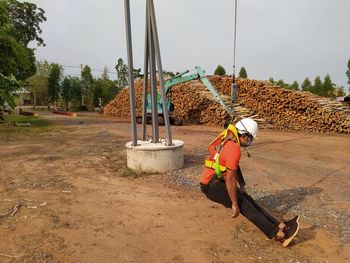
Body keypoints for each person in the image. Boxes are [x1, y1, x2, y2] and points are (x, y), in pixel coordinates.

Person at [200, 118, 299, 247]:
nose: (249, 141)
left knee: (248, 199)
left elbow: (234, 167)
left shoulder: (229, 141)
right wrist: (235, 204)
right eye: (250, 138)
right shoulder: (233, 149)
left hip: (214, 181)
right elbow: (230, 178)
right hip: (211, 186)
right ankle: (278, 234)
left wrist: (242, 186)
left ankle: (280, 225)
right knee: (244, 205)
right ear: (244, 135)